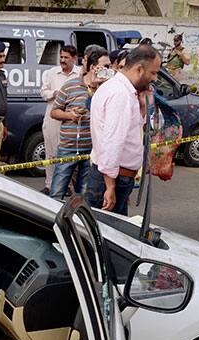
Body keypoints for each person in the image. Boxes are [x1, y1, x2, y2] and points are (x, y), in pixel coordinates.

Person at [85, 44, 161, 215]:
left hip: (115, 178)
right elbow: (113, 142)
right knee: (107, 233)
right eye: (153, 73)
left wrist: (142, 106)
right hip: (113, 179)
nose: (155, 78)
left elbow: (129, 131)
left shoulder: (124, 90)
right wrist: (110, 186)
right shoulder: (120, 94)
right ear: (139, 69)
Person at [49, 49, 112, 201]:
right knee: (57, 193)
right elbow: (54, 112)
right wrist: (70, 115)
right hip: (68, 148)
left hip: (91, 150)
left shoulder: (107, 89)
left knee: (84, 197)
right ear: (93, 67)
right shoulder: (70, 85)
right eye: (106, 66)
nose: (109, 70)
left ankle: (79, 224)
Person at [40, 45, 80, 190]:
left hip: (71, 120)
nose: (62, 60)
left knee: (67, 153)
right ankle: (50, 185)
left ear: (74, 58)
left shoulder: (80, 74)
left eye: (66, 58)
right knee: (50, 152)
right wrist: (54, 93)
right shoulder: (52, 73)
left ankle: (67, 186)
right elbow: (43, 92)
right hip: (52, 118)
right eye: (61, 57)